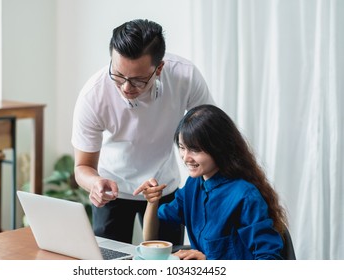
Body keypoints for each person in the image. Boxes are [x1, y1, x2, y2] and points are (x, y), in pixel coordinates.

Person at [71, 19, 214, 245]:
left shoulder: (185, 77)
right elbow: (82, 167)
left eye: (138, 80)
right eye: (118, 75)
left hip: (164, 189)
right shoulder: (93, 95)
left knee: (167, 261)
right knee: (110, 263)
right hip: (113, 192)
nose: (126, 87)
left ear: (159, 69)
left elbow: (211, 133)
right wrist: (95, 183)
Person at [134, 104, 288, 260]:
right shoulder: (193, 186)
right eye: (182, 147)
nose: (186, 158)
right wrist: (152, 202)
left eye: (194, 150)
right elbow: (150, 240)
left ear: (218, 148)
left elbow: (269, 261)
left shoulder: (245, 196)